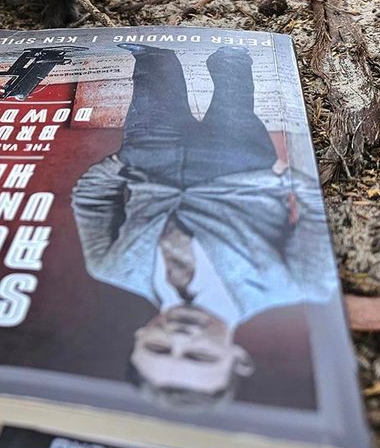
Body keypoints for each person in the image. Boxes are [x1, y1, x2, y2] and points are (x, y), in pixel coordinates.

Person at [70, 44, 337, 409]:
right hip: (240, 163)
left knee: (154, 73)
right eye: (199, 356)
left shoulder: (112, 267)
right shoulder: (297, 284)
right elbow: (321, 218)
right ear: (238, 358)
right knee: (232, 83)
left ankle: (154, 45)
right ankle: (231, 46)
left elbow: (90, 202)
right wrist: (282, 178)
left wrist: (121, 164)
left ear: (139, 336)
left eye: (159, 347)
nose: (180, 338)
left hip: (151, 155)